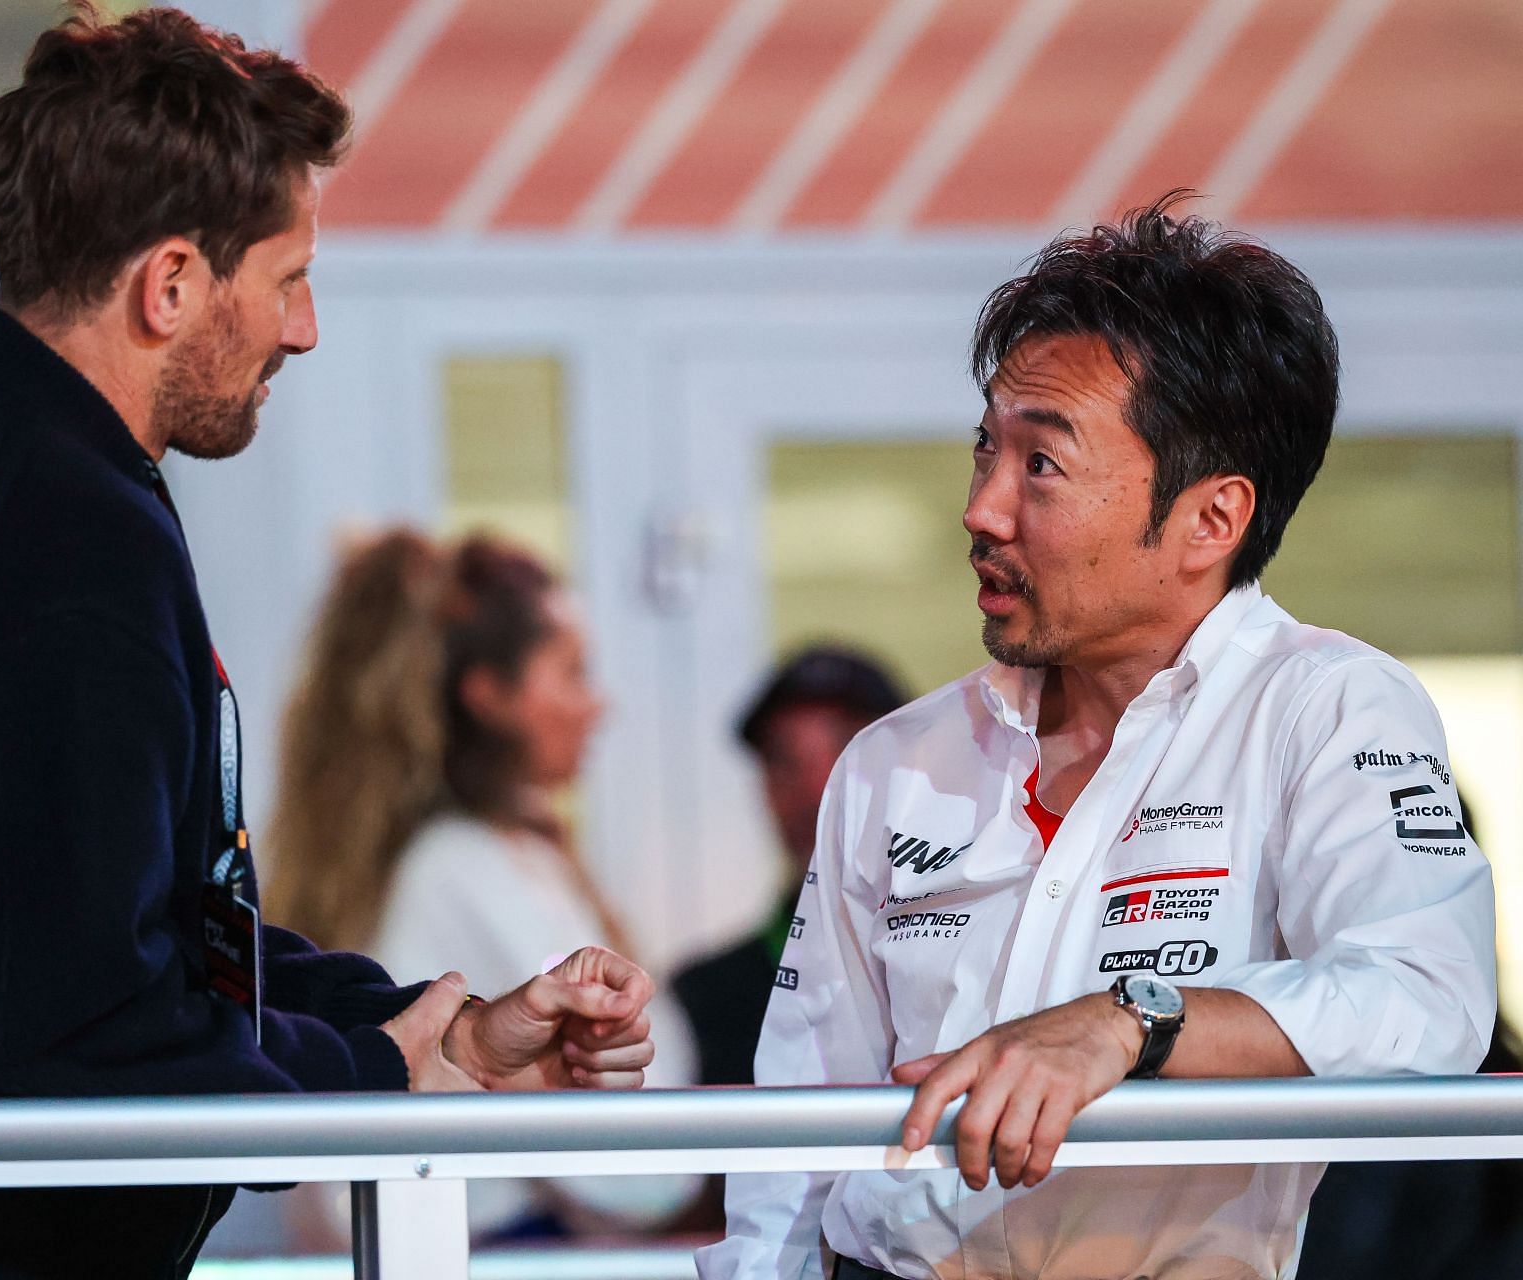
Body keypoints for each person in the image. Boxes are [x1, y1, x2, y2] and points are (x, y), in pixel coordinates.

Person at [0, 9, 657, 1279]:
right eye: (290, 278)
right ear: (175, 283)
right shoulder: (52, 545)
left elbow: (113, 933)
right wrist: (377, 1067)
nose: (303, 330)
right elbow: (77, 1041)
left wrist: (428, 1027)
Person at [696, 192, 1497, 1280]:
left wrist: (1133, 1021)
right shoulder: (893, 761)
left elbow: (1429, 1004)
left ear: (1212, 519)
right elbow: (794, 1141)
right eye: (987, 450)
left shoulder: (1331, 707)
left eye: (1042, 465)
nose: (983, 507)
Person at [265, 527, 701, 1240]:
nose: (600, 705)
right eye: (573, 672)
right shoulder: (455, 870)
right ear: (491, 695)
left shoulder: (499, 856)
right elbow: (623, 1168)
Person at [674, 644, 908, 1088]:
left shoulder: (978, 960)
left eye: (849, 752)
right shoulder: (702, 997)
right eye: (783, 760)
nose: (815, 789)